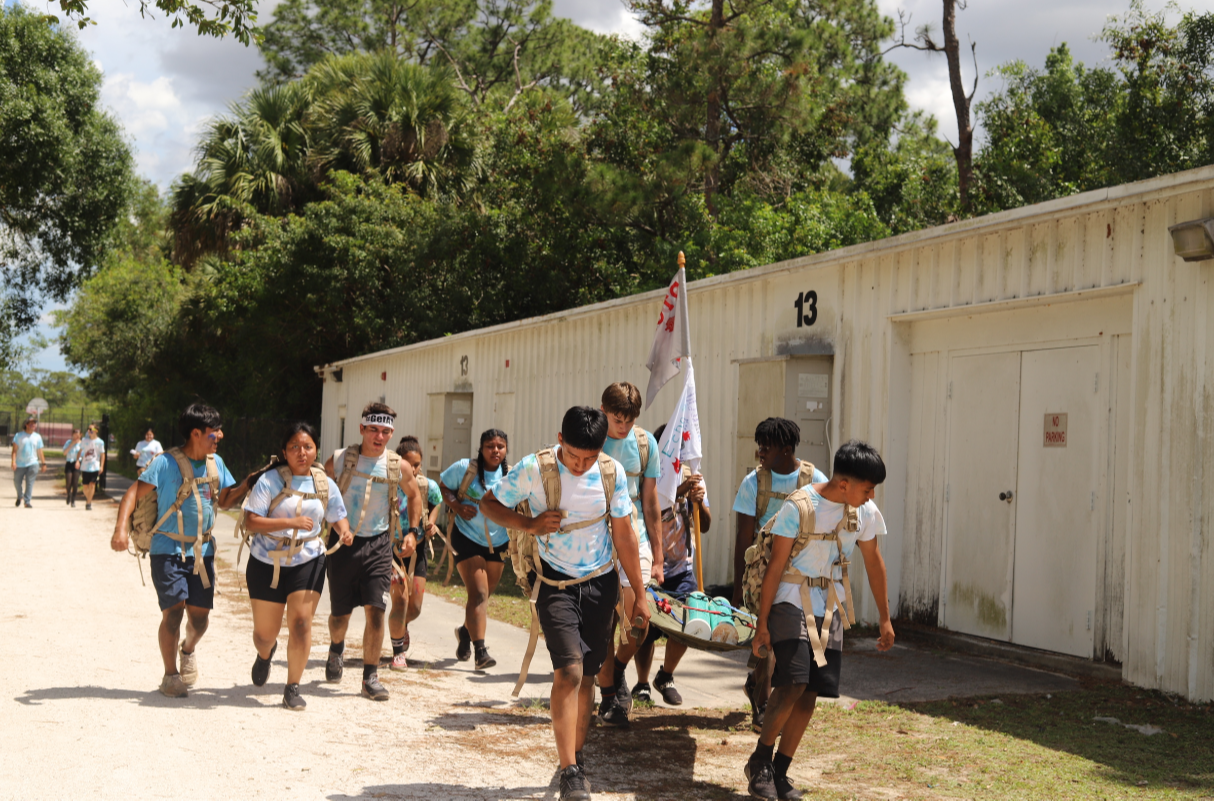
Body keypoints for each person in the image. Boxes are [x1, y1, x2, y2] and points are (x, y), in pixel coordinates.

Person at [481, 406, 648, 801]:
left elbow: (624, 535)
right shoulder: (532, 468)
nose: (580, 464)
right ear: (560, 440)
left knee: (588, 676)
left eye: (589, 457)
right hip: (554, 584)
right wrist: (529, 525)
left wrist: (639, 593)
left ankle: (577, 755)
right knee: (569, 673)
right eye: (573, 456)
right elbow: (490, 504)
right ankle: (569, 770)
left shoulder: (610, 473)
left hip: (600, 583)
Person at [745, 440, 895, 801]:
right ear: (844, 484)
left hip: (830, 606)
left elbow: (874, 563)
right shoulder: (799, 507)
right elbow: (776, 567)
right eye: (867, 488)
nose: (871, 495)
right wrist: (761, 624)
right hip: (788, 600)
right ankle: (760, 760)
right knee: (793, 683)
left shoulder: (865, 512)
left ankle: (780, 772)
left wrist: (886, 619)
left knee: (811, 694)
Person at [110, 403, 245, 698]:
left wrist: (250, 482)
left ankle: (188, 649)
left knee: (200, 618)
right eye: (214, 431)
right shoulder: (165, 463)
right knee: (173, 613)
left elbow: (225, 500)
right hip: (167, 549)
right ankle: (170, 675)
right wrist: (120, 529)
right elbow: (133, 492)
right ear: (196, 433)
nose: (219, 435)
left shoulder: (216, 463)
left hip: (203, 552)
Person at [242, 422, 352, 710]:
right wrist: (290, 522)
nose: (301, 452)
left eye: (308, 447)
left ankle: (292, 687)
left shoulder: (323, 482)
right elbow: (250, 521)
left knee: (301, 623)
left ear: (316, 450)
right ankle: (266, 654)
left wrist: (344, 531)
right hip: (268, 560)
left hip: (308, 558)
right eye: (294, 447)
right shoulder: (270, 480)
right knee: (264, 635)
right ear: (284, 451)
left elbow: (337, 513)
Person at [731, 417, 828, 732]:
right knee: (766, 642)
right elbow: (743, 539)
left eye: (767, 447)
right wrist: (738, 589)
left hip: (802, 576)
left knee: (789, 645)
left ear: (787, 450)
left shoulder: (815, 481)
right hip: (763, 572)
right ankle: (762, 702)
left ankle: (763, 691)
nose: (761, 452)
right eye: (759, 446)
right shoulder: (754, 483)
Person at [324, 402, 423, 702]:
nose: (379, 437)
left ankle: (370, 677)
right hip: (342, 544)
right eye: (373, 430)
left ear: (391, 433)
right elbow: (321, 489)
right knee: (340, 616)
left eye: (385, 431)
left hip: (379, 546)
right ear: (362, 429)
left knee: (376, 612)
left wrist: (412, 532)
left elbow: (415, 495)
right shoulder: (340, 460)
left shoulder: (398, 466)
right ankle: (336, 647)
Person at [594, 382, 663, 727]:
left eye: (629, 419)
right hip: (595, 537)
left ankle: (618, 667)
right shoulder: (591, 436)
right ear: (603, 410)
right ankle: (609, 697)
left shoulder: (645, 443)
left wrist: (660, 557)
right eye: (617, 418)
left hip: (634, 535)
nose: (622, 426)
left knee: (638, 619)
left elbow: (651, 502)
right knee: (604, 622)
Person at [631, 423, 712, 707]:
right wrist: (678, 492)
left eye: (681, 448)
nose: (677, 455)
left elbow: (706, 526)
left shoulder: (693, 477)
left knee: (691, 622)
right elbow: (650, 506)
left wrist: (698, 503)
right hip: (650, 565)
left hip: (681, 569)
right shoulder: (647, 477)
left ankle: (665, 675)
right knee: (646, 627)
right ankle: (641, 684)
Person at [439, 428, 510, 671]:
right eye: (490, 446)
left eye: (500, 446)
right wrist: (457, 506)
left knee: (483, 596)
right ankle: (481, 652)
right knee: (478, 594)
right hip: (467, 537)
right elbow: (443, 486)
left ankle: (465, 634)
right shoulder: (464, 469)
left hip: (499, 541)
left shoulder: (510, 475)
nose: (495, 451)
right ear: (481, 449)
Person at [387, 435, 443, 671]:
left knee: (416, 607)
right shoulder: (388, 483)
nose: (413, 468)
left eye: (417, 464)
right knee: (400, 601)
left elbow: (437, 501)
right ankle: (398, 652)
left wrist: (431, 523)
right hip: (393, 549)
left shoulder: (427, 485)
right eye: (409, 463)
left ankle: (400, 628)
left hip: (418, 549)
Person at [11, 418, 45, 508]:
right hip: (19, 463)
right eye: (31, 423)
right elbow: (14, 450)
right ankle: (20, 496)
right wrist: (13, 461)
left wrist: (43, 463)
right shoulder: (18, 436)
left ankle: (27, 501)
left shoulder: (37, 437)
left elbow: (40, 451)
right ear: (26, 425)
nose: (33, 425)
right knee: (16, 482)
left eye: (35, 424)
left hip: (33, 463)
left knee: (30, 482)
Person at [76, 424, 107, 511]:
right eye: (88, 429)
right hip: (85, 466)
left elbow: (102, 454)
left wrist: (101, 466)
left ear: (96, 430)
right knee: (85, 487)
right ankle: (89, 498)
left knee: (92, 485)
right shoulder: (84, 440)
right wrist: (77, 460)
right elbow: (80, 451)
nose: (89, 430)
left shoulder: (100, 442)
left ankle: (88, 503)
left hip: (95, 466)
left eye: (91, 429)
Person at [63, 429, 83, 507]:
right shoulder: (68, 442)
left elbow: (83, 454)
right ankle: (69, 494)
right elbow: (64, 453)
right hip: (69, 463)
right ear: (72, 435)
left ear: (80, 435)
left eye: (78, 434)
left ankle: (73, 500)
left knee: (75, 483)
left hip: (77, 463)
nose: (76, 436)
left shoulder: (82, 444)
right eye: (75, 434)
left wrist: (78, 461)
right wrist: (71, 444)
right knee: (68, 483)